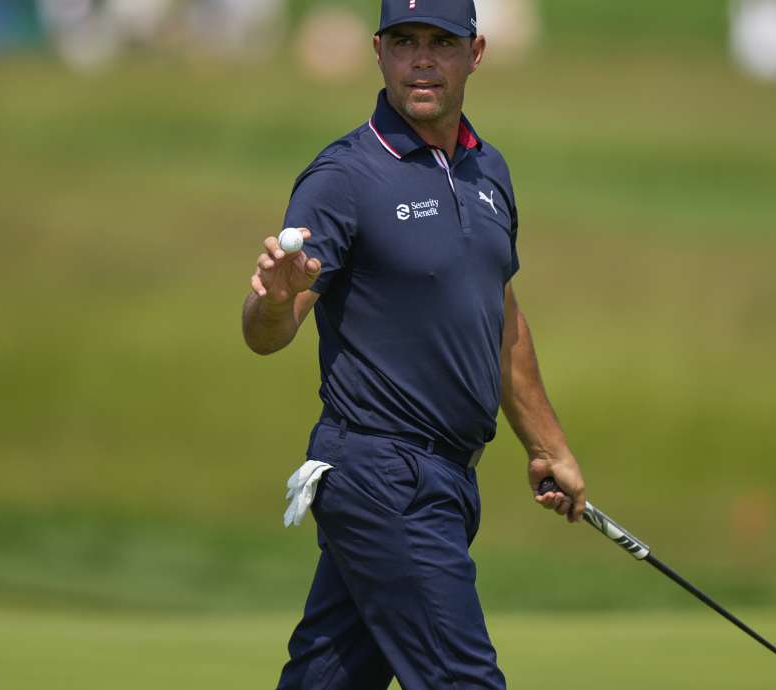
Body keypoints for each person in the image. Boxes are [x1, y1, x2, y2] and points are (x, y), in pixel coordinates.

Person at [240, 2, 586, 688]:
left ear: (474, 53)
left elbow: (500, 317)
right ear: (379, 52)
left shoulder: (489, 173)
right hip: (383, 473)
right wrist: (274, 300)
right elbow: (267, 329)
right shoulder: (345, 177)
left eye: (440, 42)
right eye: (404, 41)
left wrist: (547, 445)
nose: (421, 58)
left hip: (444, 479)